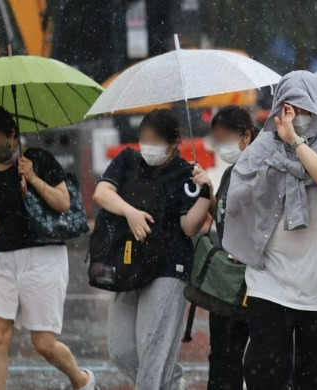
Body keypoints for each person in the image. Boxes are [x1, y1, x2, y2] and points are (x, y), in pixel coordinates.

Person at [221, 71, 317, 390]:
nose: (296, 116)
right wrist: (272, 168)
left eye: (304, 108)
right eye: (290, 108)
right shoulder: (262, 149)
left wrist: (295, 143)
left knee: (315, 381)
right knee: (265, 377)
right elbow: (238, 200)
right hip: (270, 280)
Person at [0, 106, 95, 390]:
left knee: (43, 343)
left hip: (43, 257)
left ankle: (81, 380)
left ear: (12, 134)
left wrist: (33, 179)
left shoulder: (39, 160)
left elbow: (63, 203)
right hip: (3, 260)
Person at [93, 109, 210, 390]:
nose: (148, 146)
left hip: (169, 267)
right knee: (121, 350)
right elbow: (102, 193)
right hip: (128, 262)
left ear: (173, 143)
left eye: (155, 140)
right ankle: (170, 384)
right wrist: (130, 212)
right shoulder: (128, 161)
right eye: (144, 139)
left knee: (152, 349)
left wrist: (206, 192)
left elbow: (189, 227)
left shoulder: (185, 174)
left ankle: (159, 382)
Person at [191, 106, 259, 390]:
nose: (221, 147)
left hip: (253, 276)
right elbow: (225, 216)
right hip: (227, 277)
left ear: (246, 135)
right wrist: (208, 190)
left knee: (257, 356)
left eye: (225, 139)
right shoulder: (231, 173)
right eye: (216, 141)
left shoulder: (260, 170)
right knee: (222, 352)